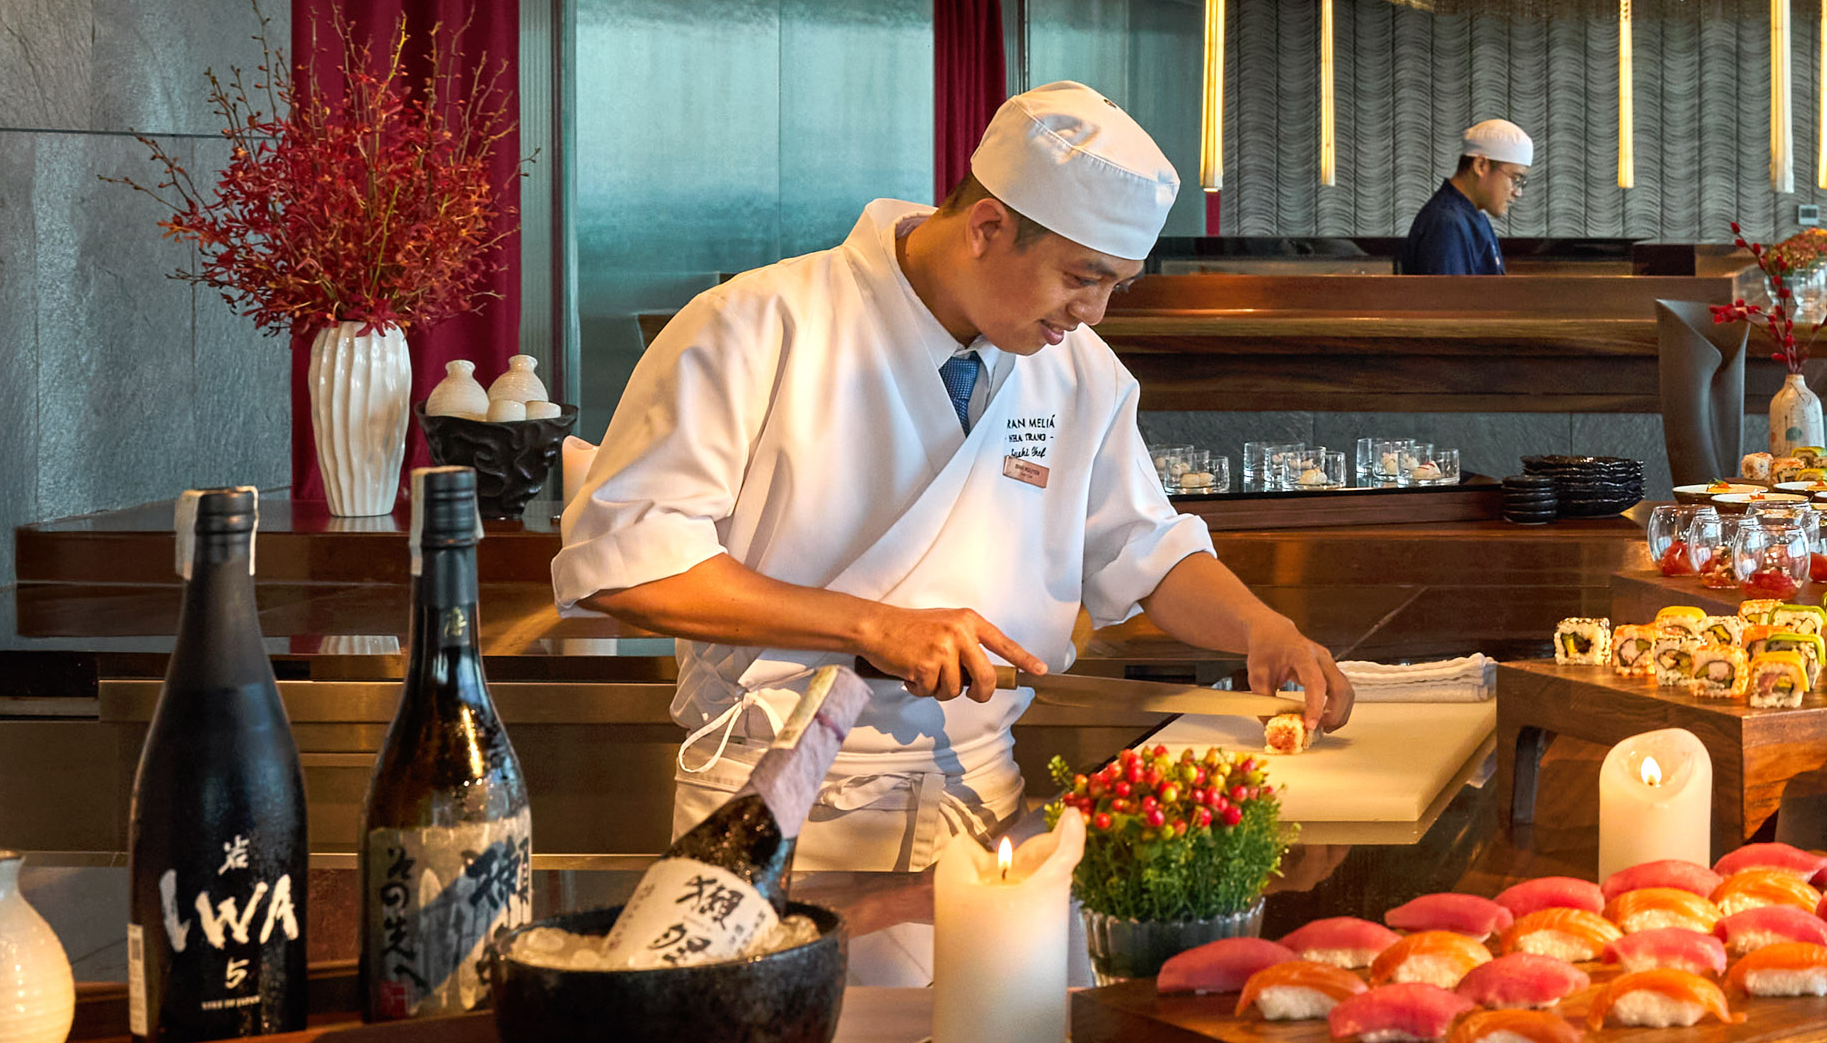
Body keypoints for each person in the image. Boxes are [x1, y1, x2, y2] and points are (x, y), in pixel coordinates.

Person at [552, 80, 1353, 983]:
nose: (1092, 313)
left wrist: (1260, 627)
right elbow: (624, 564)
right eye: (1081, 277)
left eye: (1114, 288)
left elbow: (1143, 547)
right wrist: (870, 625)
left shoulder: (1078, 371)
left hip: (985, 812)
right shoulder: (756, 325)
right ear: (986, 228)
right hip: (775, 809)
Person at [1396, 117, 1534, 276]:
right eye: (1515, 179)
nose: (1518, 192)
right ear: (1480, 166)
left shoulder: (1470, 217)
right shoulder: (1446, 224)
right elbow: (1452, 299)